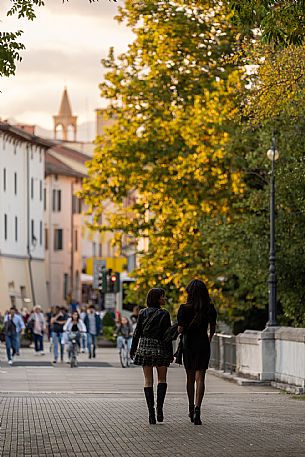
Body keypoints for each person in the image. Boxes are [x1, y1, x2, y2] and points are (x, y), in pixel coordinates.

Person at [177, 279, 217, 425]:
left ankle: (190, 408)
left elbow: (180, 329)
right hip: (203, 345)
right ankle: (198, 408)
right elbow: (212, 327)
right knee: (201, 378)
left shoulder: (184, 308)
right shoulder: (210, 308)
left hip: (189, 345)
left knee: (190, 378)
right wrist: (209, 338)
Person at [130, 288, 173, 424]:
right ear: (157, 299)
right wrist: (170, 354)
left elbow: (137, 332)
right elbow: (168, 336)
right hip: (160, 347)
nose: (164, 299)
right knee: (162, 379)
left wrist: (133, 349)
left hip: (145, 346)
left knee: (148, 381)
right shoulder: (165, 314)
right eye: (162, 297)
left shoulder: (142, 312)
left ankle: (151, 414)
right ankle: (160, 408)